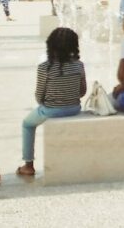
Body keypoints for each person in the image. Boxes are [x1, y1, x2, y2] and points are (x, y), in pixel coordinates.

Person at [16, 27, 86, 177]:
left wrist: (46, 103)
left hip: (51, 109)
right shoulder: (79, 65)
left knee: (27, 124)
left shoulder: (45, 67)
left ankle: (28, 165)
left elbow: (39, 94)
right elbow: (82, 91)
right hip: (74, 108)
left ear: (51, 45)